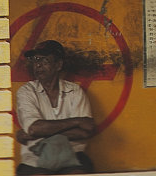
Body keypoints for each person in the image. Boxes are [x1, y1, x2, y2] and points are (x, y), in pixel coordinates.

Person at [15, 40, 96, 174]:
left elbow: (86, 131)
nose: (38, 65)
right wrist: (77, 122)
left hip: (72, 156)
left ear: (58, 65)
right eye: (36, 60)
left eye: (45, 60)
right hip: (35, 158)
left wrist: (39, 133)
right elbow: (35, 128)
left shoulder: (75, 91)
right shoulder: (26, 91)